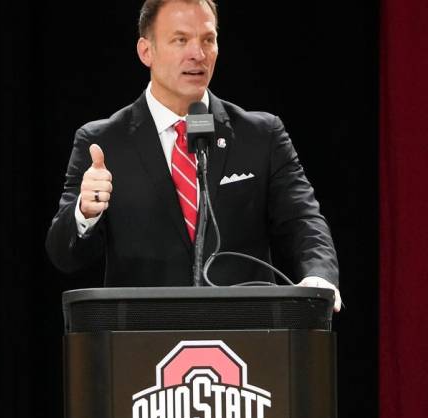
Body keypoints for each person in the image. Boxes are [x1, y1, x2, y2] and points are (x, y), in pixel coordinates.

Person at [46, 0, 342, 311]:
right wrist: (85, 213)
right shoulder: (103, 141)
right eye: (181, 39)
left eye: (207, 39)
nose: (198, 54)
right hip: (143, 340)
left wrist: (319, 277)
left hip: (247, 336)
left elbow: (303, 220)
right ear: (146, 51)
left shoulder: (261, 135)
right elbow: (64, 256)